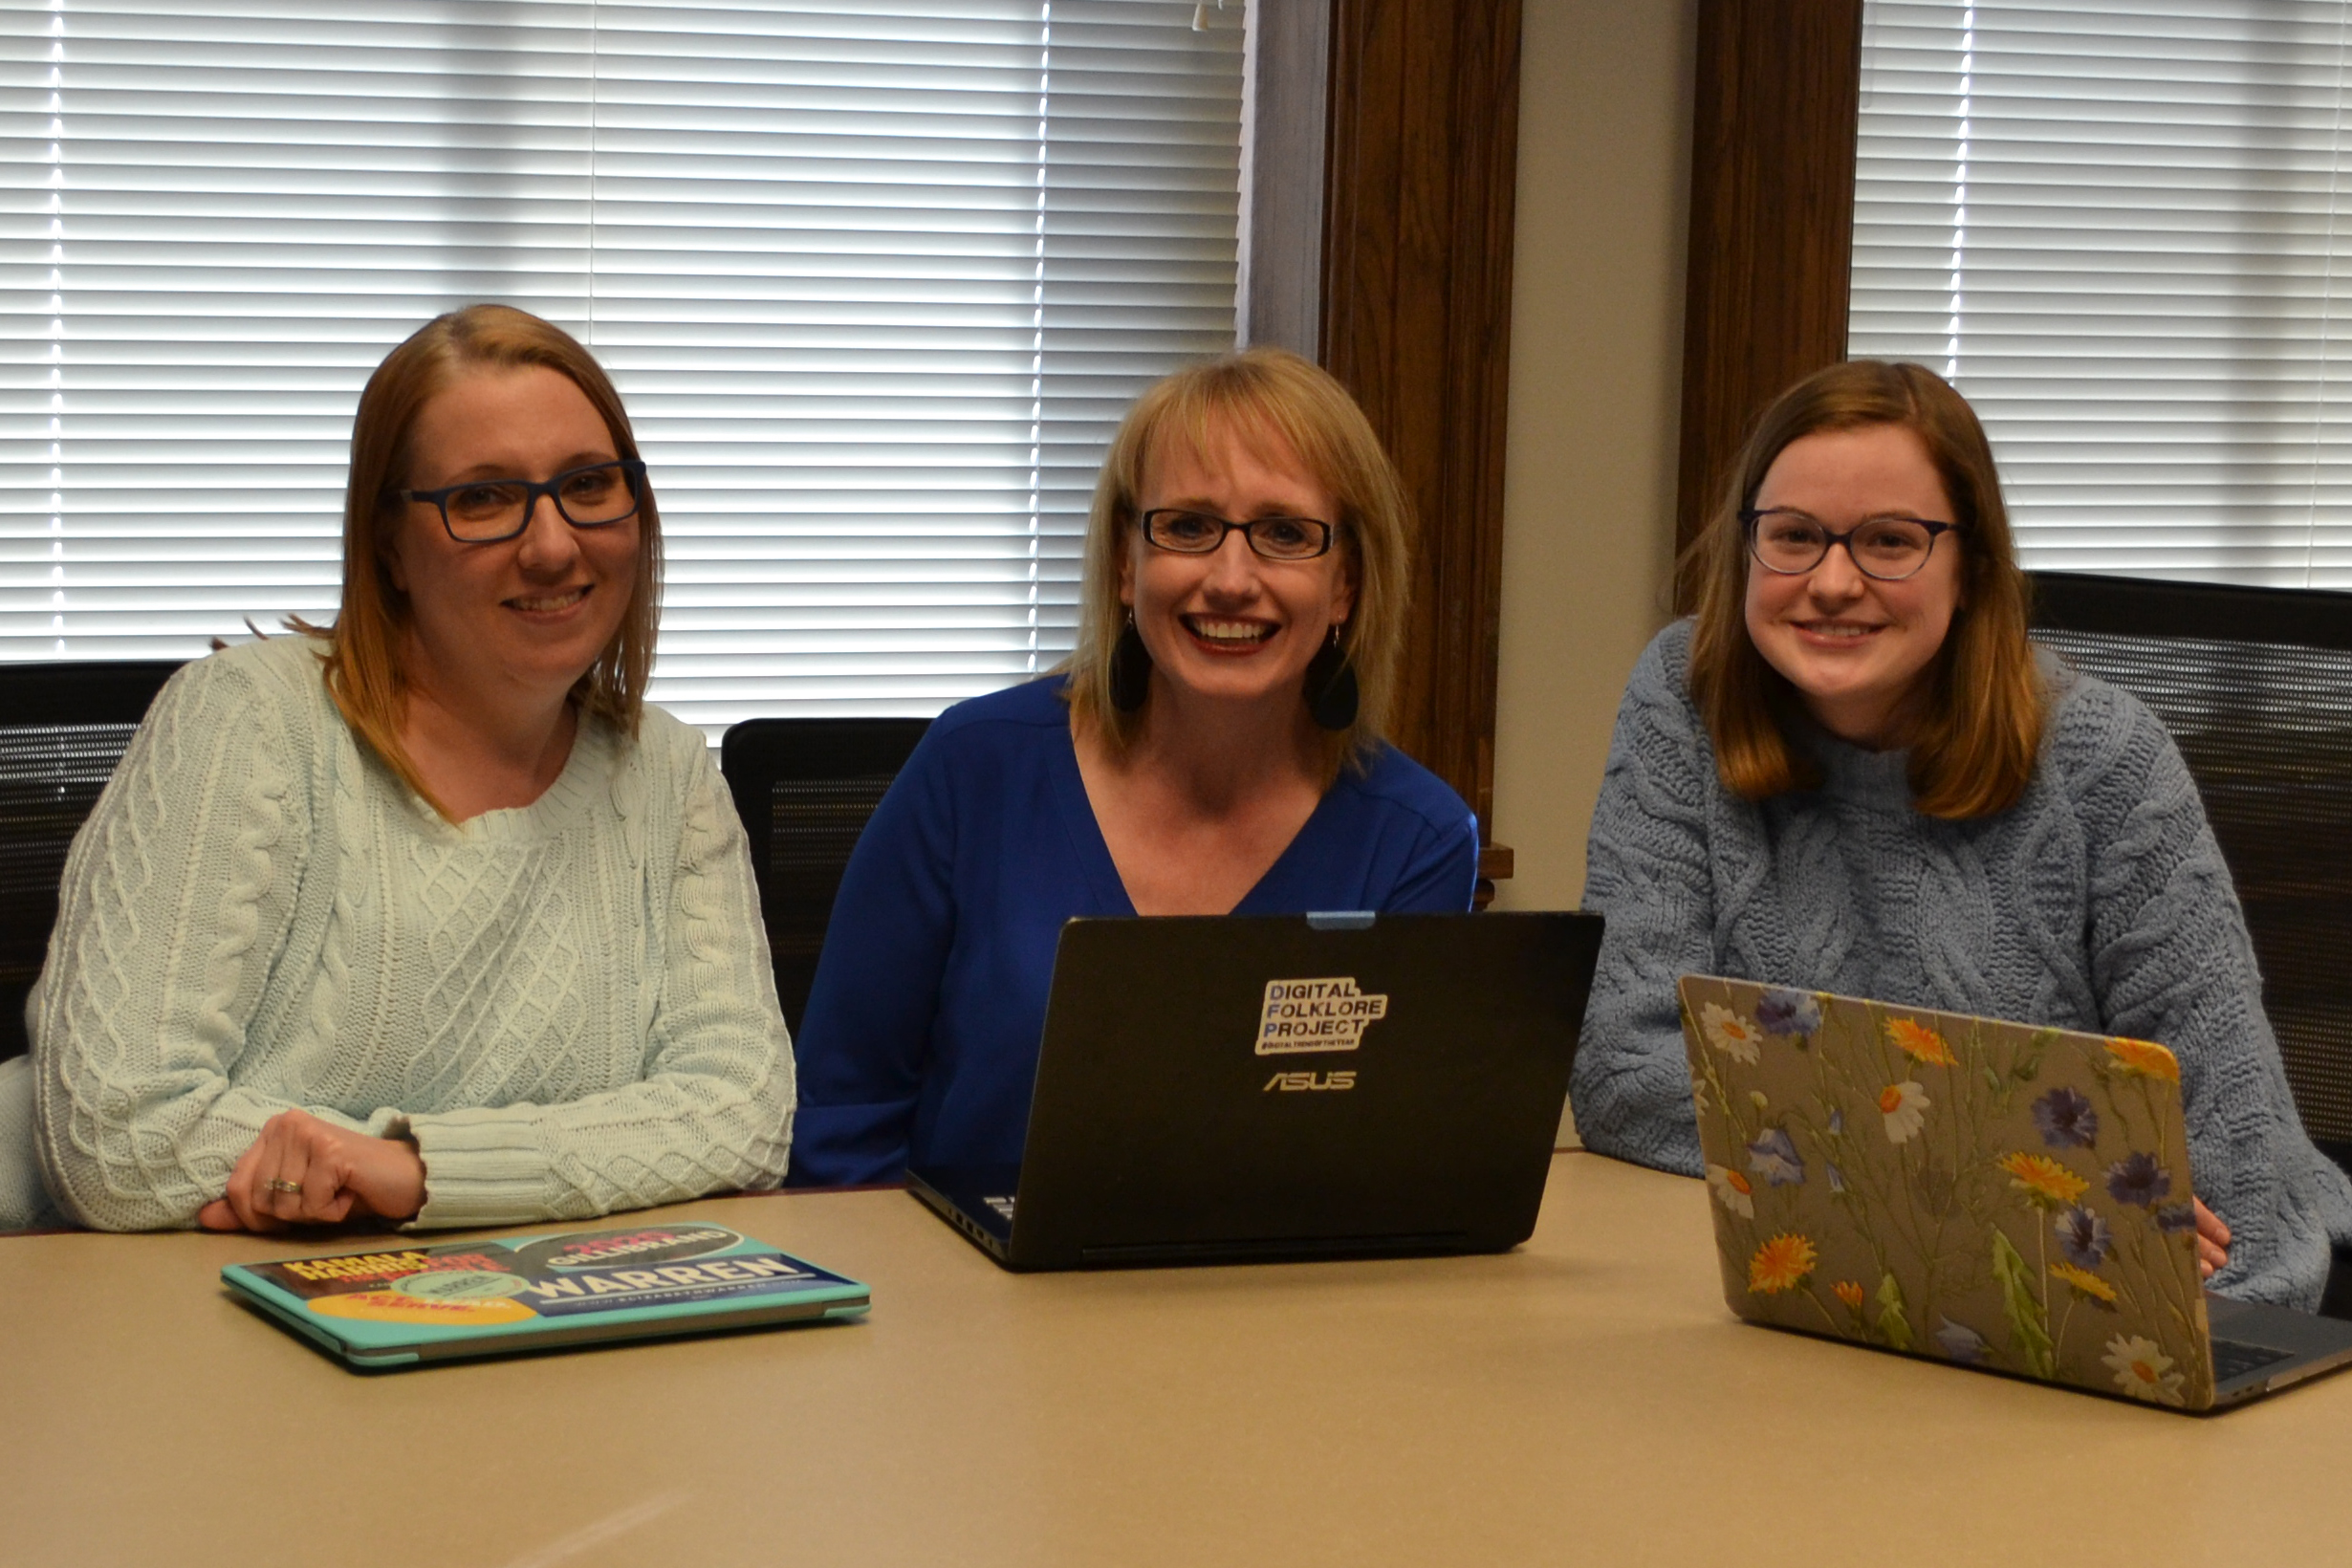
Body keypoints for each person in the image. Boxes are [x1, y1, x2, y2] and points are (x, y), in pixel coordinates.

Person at [1573, 359, 2352, 1307]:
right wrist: (2009, 1185)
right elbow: (1624, 1074)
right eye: (1794, 537)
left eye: (1890, 541)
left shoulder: (2107, 762)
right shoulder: (1683, 697)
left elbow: (2245, 1185)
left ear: (1973, 567)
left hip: (2078, 1313)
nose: (1830, 582)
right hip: (1788, 1291)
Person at [0, 304, 793, 1233]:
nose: (551, 544)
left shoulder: (667, 773)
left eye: (588, 483)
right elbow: (121, 1133)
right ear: (389, 543)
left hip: (491, 1313)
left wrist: (418, 1170)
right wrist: (427, 1167)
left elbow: (742, 1112)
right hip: (133, 1305)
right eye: (483, 498)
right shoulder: (249, 722)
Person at [787, 349, 1479, 1186]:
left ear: (1346, 587)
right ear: (1126, 563)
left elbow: (1383, 1168)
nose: (1231, 579)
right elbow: (843, 1124)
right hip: (966, 1296)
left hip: (1272, 1306)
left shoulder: (1417, 841)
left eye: (1286, 534)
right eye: (1187, 527)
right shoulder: (974, 768)